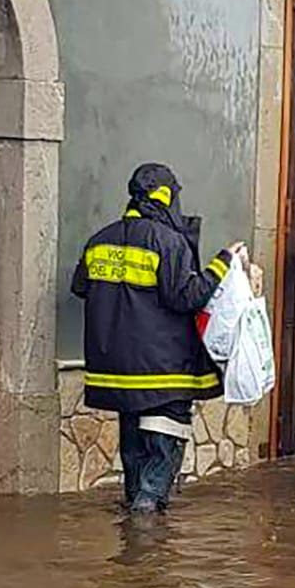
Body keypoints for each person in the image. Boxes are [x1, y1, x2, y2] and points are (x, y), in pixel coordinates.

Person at [71, 162, 243, 514]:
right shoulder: (168, 242)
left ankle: (133, 542)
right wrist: (223, 263)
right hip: (163, 370)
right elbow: (187, 297)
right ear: (165, 197)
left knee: (133, 450)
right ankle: (147, 536)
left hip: (114, 371)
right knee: (162, 451)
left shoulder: (99, 239)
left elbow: (80, 287)